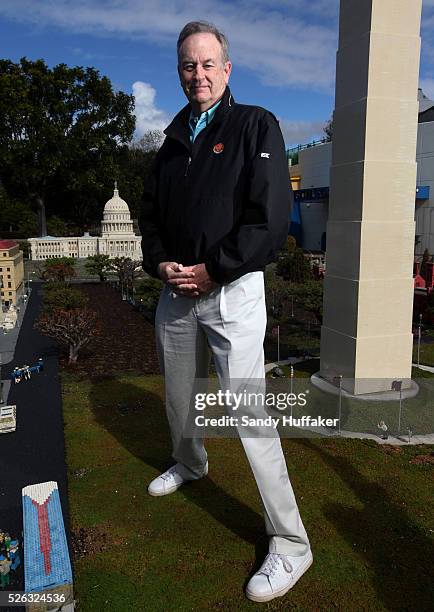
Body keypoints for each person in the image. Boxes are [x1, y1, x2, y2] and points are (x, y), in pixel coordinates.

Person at [139, 20, 312, 603]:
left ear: (228, 68)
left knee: (246, 413)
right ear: (180, 72)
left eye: (209, 64)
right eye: (189, 65)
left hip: (230, 291)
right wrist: (161, 264)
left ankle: (291, 543)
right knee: (177, 393)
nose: (199, 75)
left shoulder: (255, 124)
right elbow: (152, 222)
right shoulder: (171, 140)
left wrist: (215, 268)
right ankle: (189, 463)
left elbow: (268, 219)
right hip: (176, 292)